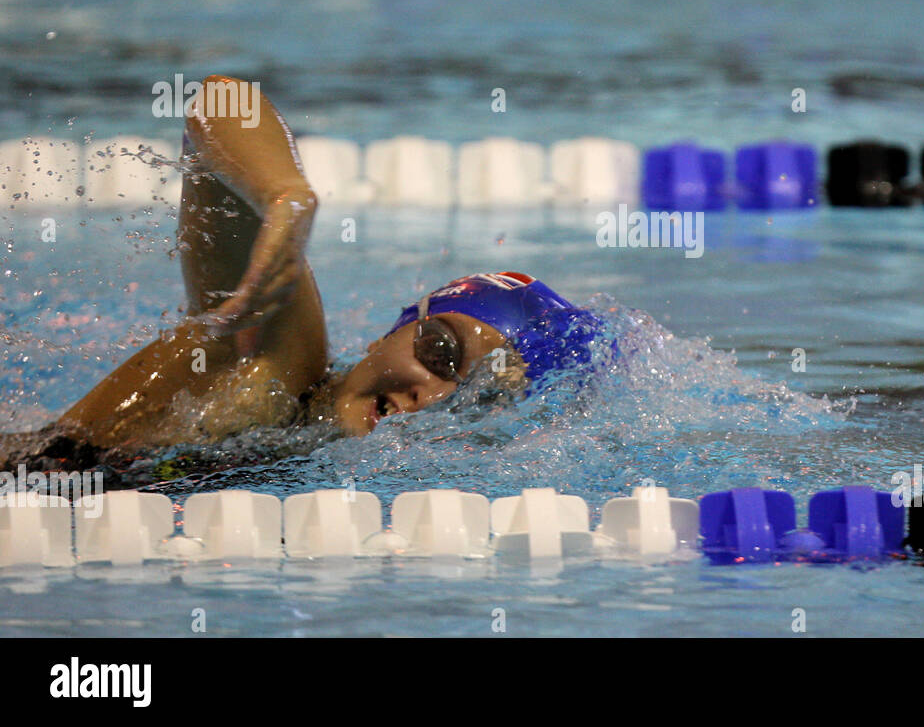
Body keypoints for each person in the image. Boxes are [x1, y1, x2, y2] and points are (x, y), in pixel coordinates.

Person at [3, 75, 601, 480]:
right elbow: (221, 98)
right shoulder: (274, 361)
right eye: (441, 353)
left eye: (482, 399)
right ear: (393, 331)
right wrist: (285, 195)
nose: (436, 396)